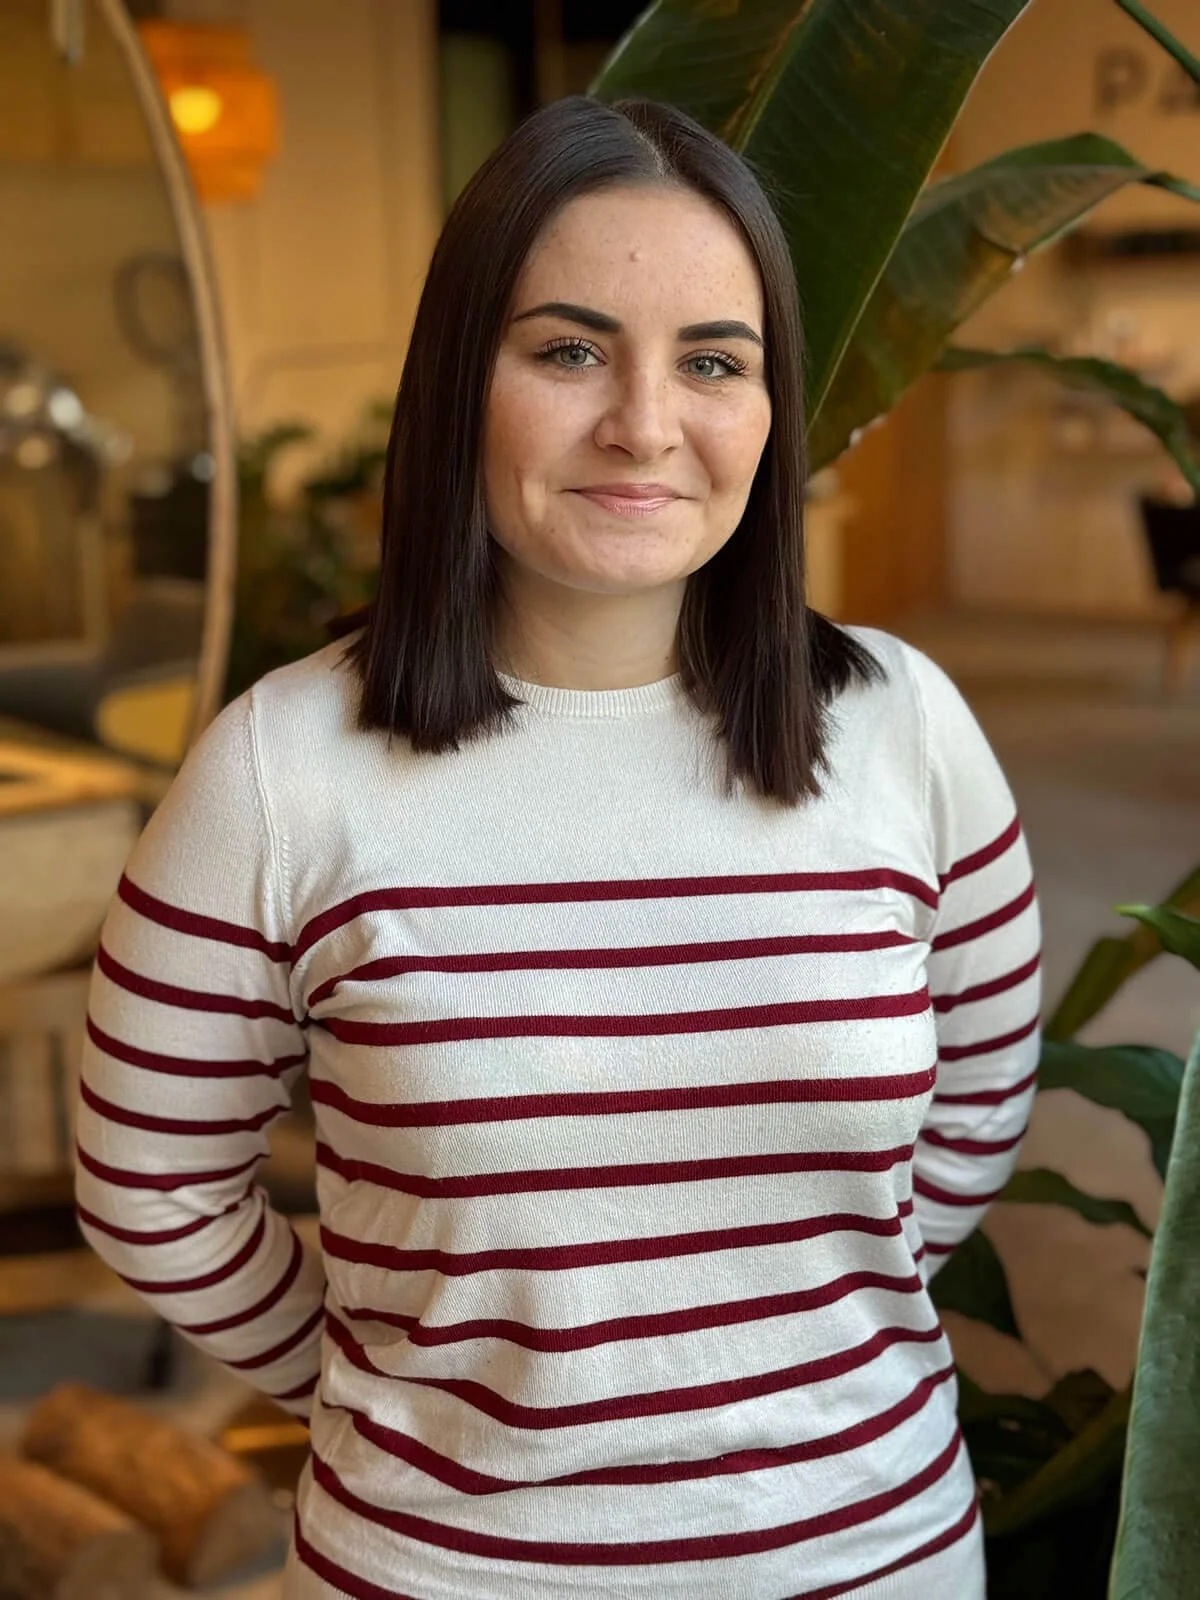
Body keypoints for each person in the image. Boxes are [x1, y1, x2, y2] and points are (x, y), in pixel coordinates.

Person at [75, 95, 1042, 1600]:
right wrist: (384, 1378)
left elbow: (979, 1104)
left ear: (771, 406)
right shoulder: (281, 770)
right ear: (461, 380)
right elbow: (150, 1180)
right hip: (446, 1568)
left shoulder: (902, 725)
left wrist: (786, 1342)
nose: (645, 425)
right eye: (570, 351)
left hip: (877, 1555)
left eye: (712, 362)